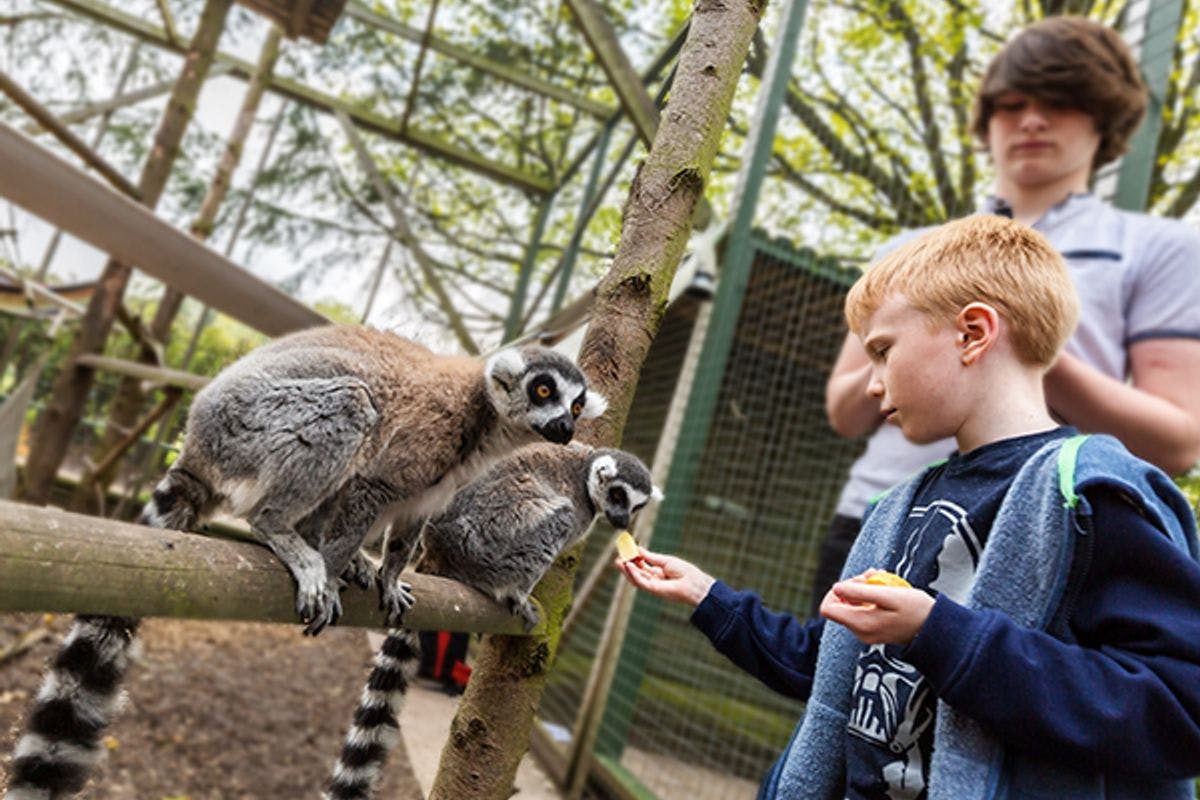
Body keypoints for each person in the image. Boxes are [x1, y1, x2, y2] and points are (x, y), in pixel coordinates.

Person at [619, 214, 1200, 799]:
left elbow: (1179, 709)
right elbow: (837, 669)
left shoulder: (1093, 497)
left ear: (972, 333)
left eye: (882, 350)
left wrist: (941, 634)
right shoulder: (903, 506)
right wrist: (708, 597)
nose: (872, 383)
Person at [812, 16, 1200, 616]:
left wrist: (1025, 344)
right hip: (878, 518)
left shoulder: (1157, 248)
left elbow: (1177, 442)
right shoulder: (911, 248)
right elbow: (843, 408)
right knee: (838, 701)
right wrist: (909, 351)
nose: (1032, 120)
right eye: (1011, 103)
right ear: (987, 118)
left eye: (1059, 102)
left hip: (1031, 535)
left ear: (1103, 118)